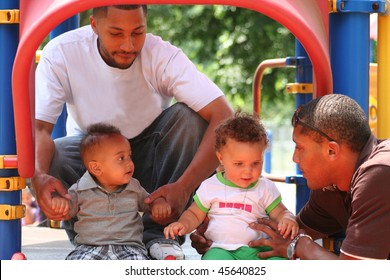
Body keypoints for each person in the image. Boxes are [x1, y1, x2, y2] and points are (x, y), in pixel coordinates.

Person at [32, 4, 233, 260]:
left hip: (152, 159)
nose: (128, 45)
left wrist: (185, 186)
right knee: (55, 152)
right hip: (94, 161)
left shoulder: (161, 54)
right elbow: (38, 128)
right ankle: (91, 238)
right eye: (116, 33)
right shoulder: (62, 52)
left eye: (137, 32)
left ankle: (161, 235)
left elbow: (223, 115)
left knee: (191, 119)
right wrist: (38, 176)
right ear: (94, 26)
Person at [191, 94, 390, 260]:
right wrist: (225, 237)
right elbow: (290, 235)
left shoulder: (379, 173)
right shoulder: (330, 186)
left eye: (300, 147)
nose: (294, 158)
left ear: (331, 151)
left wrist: (300, 246)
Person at [164, 112, 298, 260]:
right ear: (221, 158)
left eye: (256, 163)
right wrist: (182, 224)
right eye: (239, 164)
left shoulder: (265, 187)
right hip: (221, 250)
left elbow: (280, 212)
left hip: (259, 250)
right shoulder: (210, 186)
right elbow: (194, 214)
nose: (248, 171)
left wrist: (287, 219)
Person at [51, 123, 171, 260]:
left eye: (129, 156)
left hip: (129, 248)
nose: (130, 163)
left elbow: (150, 202)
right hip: (89, 247)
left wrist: (159, 203)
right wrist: (60, 203)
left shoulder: (134, 187)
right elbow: (68, 211)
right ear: (96, 168)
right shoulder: (79, 190)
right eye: (121, 158)